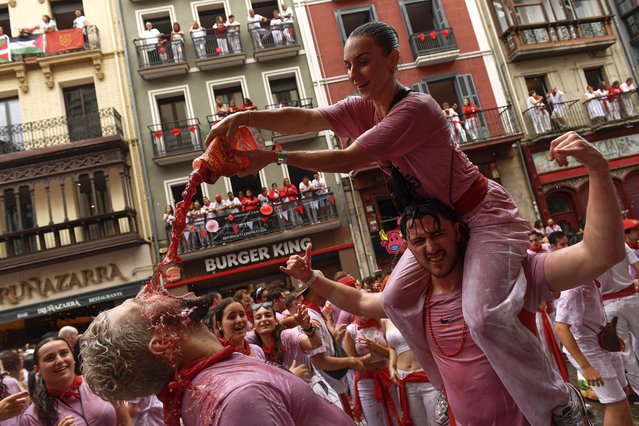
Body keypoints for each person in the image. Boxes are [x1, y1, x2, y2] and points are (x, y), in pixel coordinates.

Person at [206, 21, 585, 425]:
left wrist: (274, 158)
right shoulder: (361, 107)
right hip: (437, 226)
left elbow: (348, 160)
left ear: (393, 60)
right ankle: (446, 389)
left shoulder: (417, 108)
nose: (354, 75)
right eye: (349, 65)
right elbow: (305, 118)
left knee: (480, 314)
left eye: (364, 63)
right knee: (394, 301)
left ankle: (559, 399)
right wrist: (242, 118)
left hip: (484, 215)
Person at [279, 131, 625, 425]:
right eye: (418, 240)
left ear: (459, 231)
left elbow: (600, 252)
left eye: (437, 234)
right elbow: (360, 301)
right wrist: (312, 278)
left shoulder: (512, 275)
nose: (431, 247)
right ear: (408, 249)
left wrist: (597, 169)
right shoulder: (413, 299)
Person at [79, 288, 354, 426]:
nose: (151, 292)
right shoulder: (238, 398)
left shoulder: (217, 386)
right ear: (163, 341)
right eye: (141, 304)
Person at [556, 279, 632, 426]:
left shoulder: (590, 283)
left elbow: (593, 318)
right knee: (616, 404)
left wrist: (611, 334)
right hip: (589, 351)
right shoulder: (574, 291)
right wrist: (586, 367)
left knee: (622, 395)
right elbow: (561, 328)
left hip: (600, 344)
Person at [20, 337, 130, 426]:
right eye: (50, 358)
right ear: (37, 370)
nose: (59, 360)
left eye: (63, 353)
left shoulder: (100, 382)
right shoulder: (32, 417)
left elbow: (125, 421)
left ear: (73, 358)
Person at [344, 314, 399, 425]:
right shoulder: (351, 330)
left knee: (396, 416)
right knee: (374, 421)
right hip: (365, 381)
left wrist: (376, 348)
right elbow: (351, 363)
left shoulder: (382, 323)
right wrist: (368, 357)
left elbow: (392, 353)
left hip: (387, 377)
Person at [385, 320, 439, 426]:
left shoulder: (417, 306)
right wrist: (391, 366)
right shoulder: (385, 317)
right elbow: (391, 347)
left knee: (438, 422)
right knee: (417, 423)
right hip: (404, 380)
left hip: (427, 376)